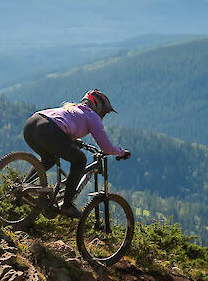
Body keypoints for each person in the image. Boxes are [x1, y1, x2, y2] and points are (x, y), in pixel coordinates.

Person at [23, 89, 131, 218]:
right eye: (104, 112)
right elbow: (106, 147)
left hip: (32, 124)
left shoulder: (72, 109)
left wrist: (73, 140)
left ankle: (24, 186)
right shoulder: (92, 116)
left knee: (49, 159)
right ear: (98, 106)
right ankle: (67, 206)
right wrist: (121, 152)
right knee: (80, 161)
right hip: (48, 129)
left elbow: (62, 124)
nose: (103, 115)